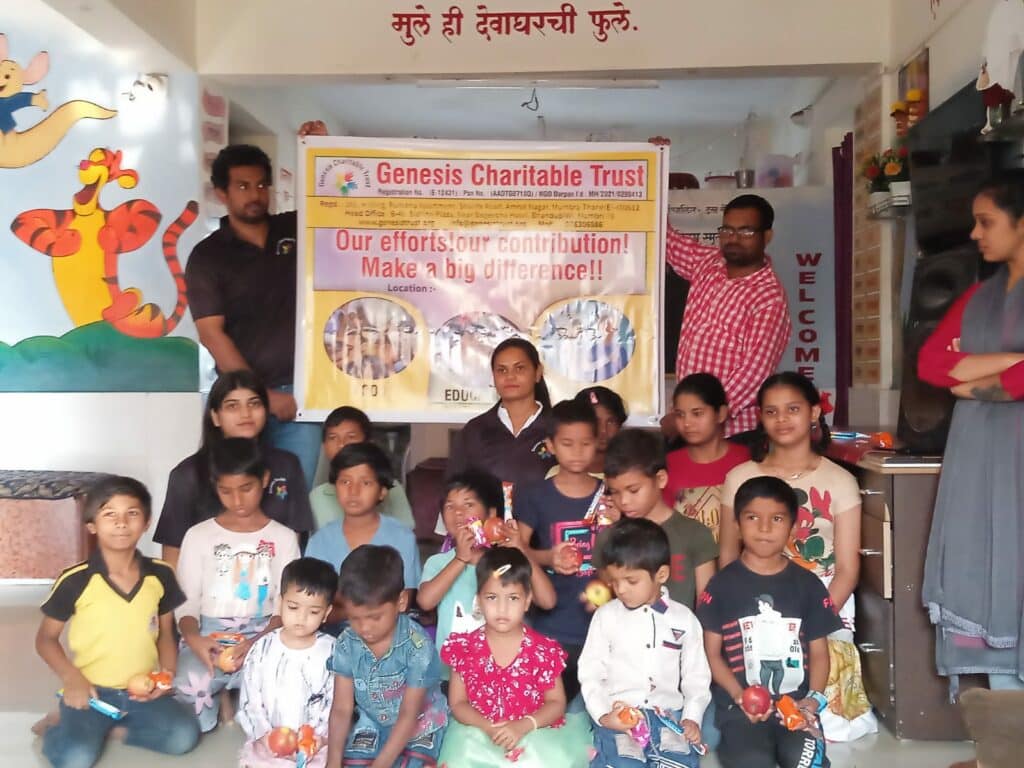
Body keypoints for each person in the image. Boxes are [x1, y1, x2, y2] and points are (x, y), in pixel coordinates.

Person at [916, 176, 1024, 768]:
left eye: (986, 221)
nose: (974, 233)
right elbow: (933, 364)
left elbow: (968, 378)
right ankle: (1005, 751)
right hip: (978, 459)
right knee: (988, 574)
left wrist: (975, 381)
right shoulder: (980, 294)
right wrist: (1012, 363)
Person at [718, 372, 876, 742]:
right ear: (760, 417)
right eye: (771, 411)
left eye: (793, 409)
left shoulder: (840, 481)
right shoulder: (740, 477)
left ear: (814, 413)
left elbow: (848, 570)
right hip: (753, 603)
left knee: (827, 721)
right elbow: (727, 558)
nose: (782, 419)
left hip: (824, 601)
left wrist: (810, 623)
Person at [185, 132, 325, 486]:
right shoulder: (208, 256)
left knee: (290, 498)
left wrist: (324, 149)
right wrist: (260, 396)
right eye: (243, 186)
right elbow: (211, 333)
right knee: (233, 495)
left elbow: (336, 206)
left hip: (299, 398)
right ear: (222, 193)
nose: (256, 195)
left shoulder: (295, 229)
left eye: (262, 185)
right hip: (239, 402)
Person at [35, 476, 199, 768]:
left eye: (132, 513)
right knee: (76, 759)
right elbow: (45, 639)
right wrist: (73, 679)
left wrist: (167, 675)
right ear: (92, 526)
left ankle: (115, 731)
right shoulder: (75, 580)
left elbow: (165, 633)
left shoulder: (161, 575)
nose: (121, 523)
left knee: (183, 737)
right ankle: (55, 728)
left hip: (142, 689)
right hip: (91, 689)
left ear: (146, 522)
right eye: (110, 514)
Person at [652, 137, 792, 444]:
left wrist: (693, 415)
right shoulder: (709, 264)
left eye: (745, 231)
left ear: (766, 236)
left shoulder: (768, 297)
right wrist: (655, 169)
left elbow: (752, 376)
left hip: (732, 435)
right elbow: (665, 239)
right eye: (727, 229)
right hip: (690, 425)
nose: (733, 238)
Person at [697, 476, 841, 768]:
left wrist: (812, 702)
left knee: (804, 762)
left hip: (797, 706)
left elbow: (819, 653)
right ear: (737, 524)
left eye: (776, 518)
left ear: (791, 526)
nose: (764, 529)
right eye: (753, 518)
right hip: (739, 710)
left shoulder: (808, 585)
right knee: (752, 762)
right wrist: (738, 696)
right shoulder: (721, 585)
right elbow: (710, 653)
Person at [173, 438, 302, 732]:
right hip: (209, 635)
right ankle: (224, 695)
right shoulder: (198, 536)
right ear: (214, 486)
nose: (237, 501)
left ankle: (235, 694)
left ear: (265, 479)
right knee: (187, 692)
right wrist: (195, 640)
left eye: (247, 489)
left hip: (263, 635)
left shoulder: (283, 538)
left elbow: (285, 607)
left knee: (280, 705)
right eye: (226, 491)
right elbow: (186, 604)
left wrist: (256, 642)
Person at [438, 547, 592, 768]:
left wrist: (522, 726)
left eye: (513, 598)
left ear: (528, 600)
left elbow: (556, 703)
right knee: (460, 758)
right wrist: (488, 727)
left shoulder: (542, 650)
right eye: (492, 597)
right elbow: (458, 702)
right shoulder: (465, 648)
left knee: (557, 760)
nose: (502, 608)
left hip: (533, 734)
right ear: (479, 600)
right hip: (479, 733)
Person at [580, 518, 711, 768]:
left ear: (661, 574)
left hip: (668, 719)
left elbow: (697, 676)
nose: (621, 589)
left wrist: (692, 718)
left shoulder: (684, 620)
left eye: (631, 581)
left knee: (678, 763)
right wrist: (604, 716)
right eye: (614, 581)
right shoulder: (606, 617)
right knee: (622, 763)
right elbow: (591, 672)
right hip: (620, 716)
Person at [154, 369, 313, 568]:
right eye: (232, 406)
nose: (245, 414)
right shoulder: (189, 473)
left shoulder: (287, 465)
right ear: (215, 417)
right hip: (205, 591)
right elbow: (173, 552)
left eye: (254, 404)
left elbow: (294, 543)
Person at [418, 470, 556, 678]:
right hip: (453, 675)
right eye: (449, 506)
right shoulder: (438, 562)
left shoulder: (507, 561)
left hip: (505, 674)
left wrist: (521, 551)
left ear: (491, 514)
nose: (458, 512)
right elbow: (426, 601)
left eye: (468, 504)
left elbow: (547, 601)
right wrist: (460, 559)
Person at [514, 399, 606, 701]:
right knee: (553, 708)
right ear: (550, 445)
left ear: (597, 443)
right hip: (552, 626)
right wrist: (548, 557)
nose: (577, 452)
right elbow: (518, 550)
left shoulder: (611, 494)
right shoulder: (535, 495)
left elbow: (627, 553)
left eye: (585, 443)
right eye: (567, 443)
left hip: (606, 627)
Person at [325, 545, 448, 768]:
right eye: (355, 618)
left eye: (374, 617)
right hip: (371, 723)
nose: (364, 628)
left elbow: (409, 714)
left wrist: (381, 764)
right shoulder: (346, 643)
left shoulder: (417, 646)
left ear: (401, 602)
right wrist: (332, 763)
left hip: (419, 724)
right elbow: (342, 709)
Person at [599, 429, 718, 610]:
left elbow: (707, 608)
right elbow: (605, 598)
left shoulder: (695, 534)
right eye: (615, 492)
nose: (624, 501)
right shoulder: (609, 539)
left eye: (633, 490)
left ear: (661, 479)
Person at [305, 442, 421, 625]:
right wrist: (373, 602)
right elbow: (313, 607)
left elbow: (402, 602)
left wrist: (340, 603)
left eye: (365, 482)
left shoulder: (402, 538)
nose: (353, 491)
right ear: (335, 487)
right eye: (345, 481)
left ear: (382, 491)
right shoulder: (319, 541)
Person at [237, 557, 337, 768]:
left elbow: (333, 702)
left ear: (326, 613)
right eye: (293, 607)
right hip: (267, 744)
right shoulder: (262, 649)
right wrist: (265, 735)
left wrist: (317, 738)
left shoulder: (333, 652)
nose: (301, 618)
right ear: (280, 603)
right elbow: (250, 700)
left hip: (313, 747)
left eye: (313, 612)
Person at [447, 337, 555, 489]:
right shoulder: (474, 431)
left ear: (537, 373)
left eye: (519, 368)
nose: (510, 376)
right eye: (502, 370)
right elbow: (454, 492)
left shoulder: (558, 428)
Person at [664, 373, 750, 542]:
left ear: (721, 413)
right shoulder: (667, 465)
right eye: (680, 415)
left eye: (697, 413)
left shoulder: (745, 460)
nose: (687, 423)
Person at [309, 405, 415, 531]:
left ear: (368, 441)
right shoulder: (317, 496)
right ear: (324, 446)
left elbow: (405, 533)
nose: (341, 444)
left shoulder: (393, 488)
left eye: (350, 437)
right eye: (333, 438)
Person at [572, 386, 628, 476]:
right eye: (595, 422)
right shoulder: (560, 476)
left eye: (610, 422)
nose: (603, 430)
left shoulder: (632, 473)